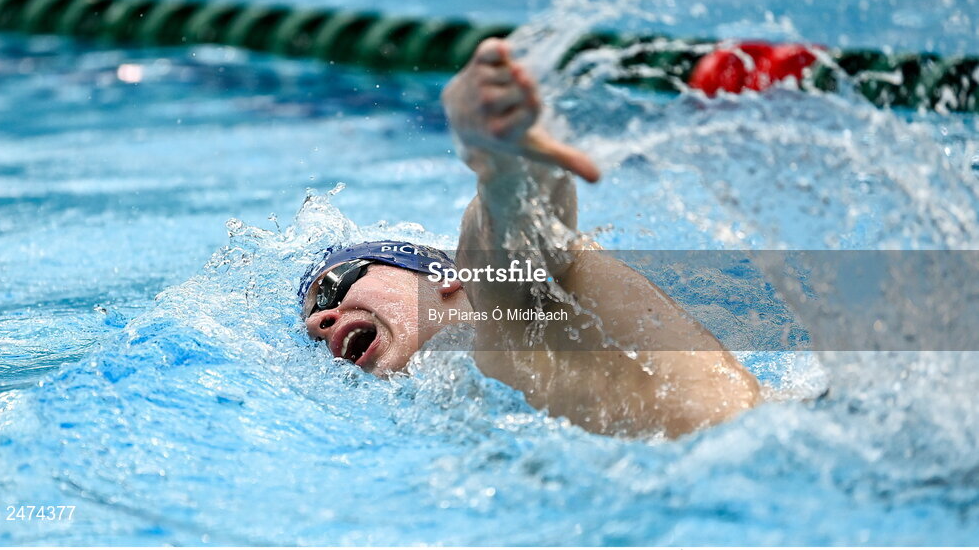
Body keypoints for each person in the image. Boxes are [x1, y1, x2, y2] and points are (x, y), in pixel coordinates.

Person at [303, 38, 760, 438]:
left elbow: (512, 235)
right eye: (316, 320)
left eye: (334, 286)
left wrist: (505, 159)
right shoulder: (468, 380)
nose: (317, 324)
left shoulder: (511, 302)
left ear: (444, 276)